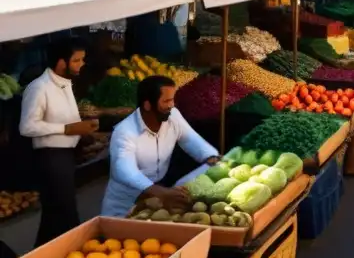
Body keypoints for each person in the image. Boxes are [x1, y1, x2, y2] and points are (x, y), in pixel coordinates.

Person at [101, 75, 220, 218]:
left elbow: (190, 139)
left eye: (172, 99)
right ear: (147, 105)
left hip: (155, 197)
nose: (172, 105)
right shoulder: (125, 132)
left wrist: (210, 156)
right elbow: (126, 170)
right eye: (166, 101)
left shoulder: (173, 115)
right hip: (125, 202)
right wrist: (159, 192)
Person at [20, 39, 98, 246]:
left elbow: (67, 120)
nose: (82, 64)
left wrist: (84, 130)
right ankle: (73, 254)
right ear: (61, 63)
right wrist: (69, 129)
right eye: (77, 60)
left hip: (67, 156)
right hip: (50, 158)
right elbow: (27, 127)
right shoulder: (39, 88)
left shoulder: (65, 83)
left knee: (54, 217)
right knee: (65, 212)